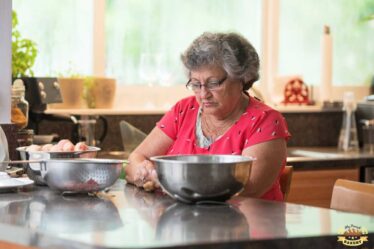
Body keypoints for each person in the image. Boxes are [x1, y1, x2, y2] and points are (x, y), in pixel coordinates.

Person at [125, 32, 290, 201]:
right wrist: (144, 171)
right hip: (184, 223)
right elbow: (135, 160)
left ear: (241, 78)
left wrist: (165, 181)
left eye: (213, 83)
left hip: (246, 224)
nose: (203, 94)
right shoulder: (184, 110)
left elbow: (247, 188)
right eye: (196, 84)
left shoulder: (266, 121)